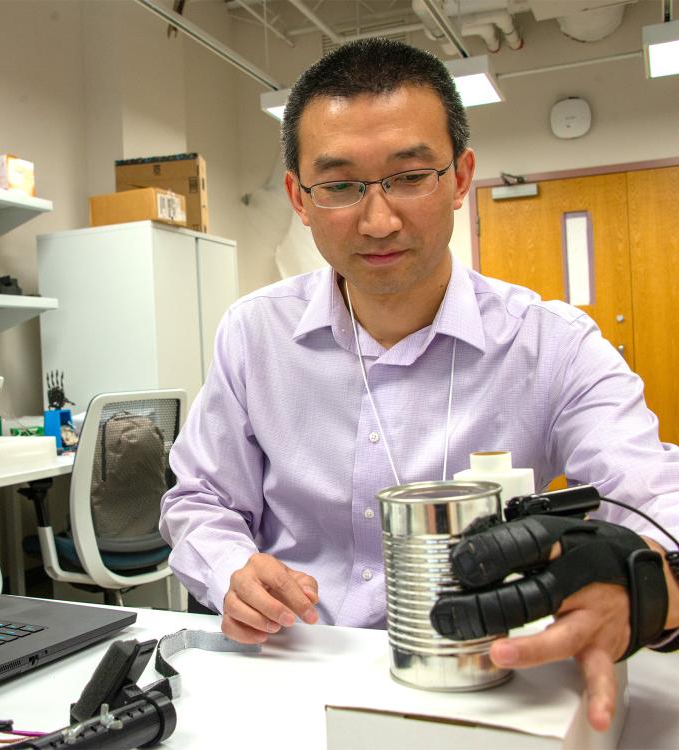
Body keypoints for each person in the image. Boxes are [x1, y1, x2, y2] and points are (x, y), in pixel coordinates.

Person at [159, 37, 679, 731]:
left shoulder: (551, 345)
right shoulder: (255, 335)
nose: (378, 221)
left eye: (411, 176)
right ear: (298, 197)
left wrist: (648, 586)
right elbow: (198, 498)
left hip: (485, 685)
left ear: (462, 176)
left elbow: (652, 501)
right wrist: (231, 571)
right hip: (297, 674)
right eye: (340, 185)